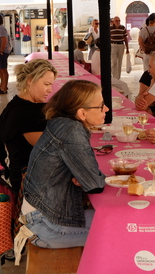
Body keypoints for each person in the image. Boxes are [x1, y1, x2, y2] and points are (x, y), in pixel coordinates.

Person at [17, 80, 107, 250]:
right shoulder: (72, 131)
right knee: (121, 230)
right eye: (101, 106)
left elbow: (89, 178)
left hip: (42, 213)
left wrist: (85, 177)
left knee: (114, 220)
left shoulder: (61, 122)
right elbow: (95, 184)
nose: (106, 109)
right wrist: (89, 177)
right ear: (82, 113)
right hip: (46, 225)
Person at [0, 59, 58, 193]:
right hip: (32, 185)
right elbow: (53, 150)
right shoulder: (29, 113)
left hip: (21, 176)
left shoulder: (16, 104)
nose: (50, 90)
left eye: (51, 85)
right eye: (46, 84)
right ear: (30, 79)